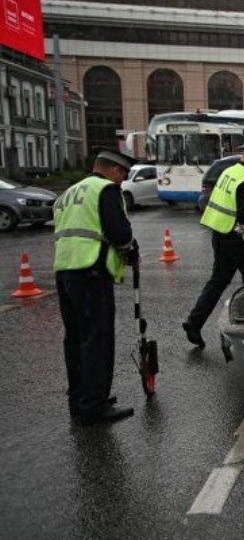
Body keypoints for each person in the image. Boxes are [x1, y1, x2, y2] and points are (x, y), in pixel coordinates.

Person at [54, 149, 140, 425]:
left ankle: (80, 399)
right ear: (113, 170)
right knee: (97, 339)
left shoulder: (69, 193)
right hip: (91, 271)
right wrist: (130, 249)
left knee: (76, 338)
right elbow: (119, 233)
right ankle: (94, 406)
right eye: (123, 174)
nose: (123, 180)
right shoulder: (105, 190)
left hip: (65, 270)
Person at [183, 136, 244, 349]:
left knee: (218, 281)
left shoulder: (230, 171)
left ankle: (194, 323)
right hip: (238, 238)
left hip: (220, 233)